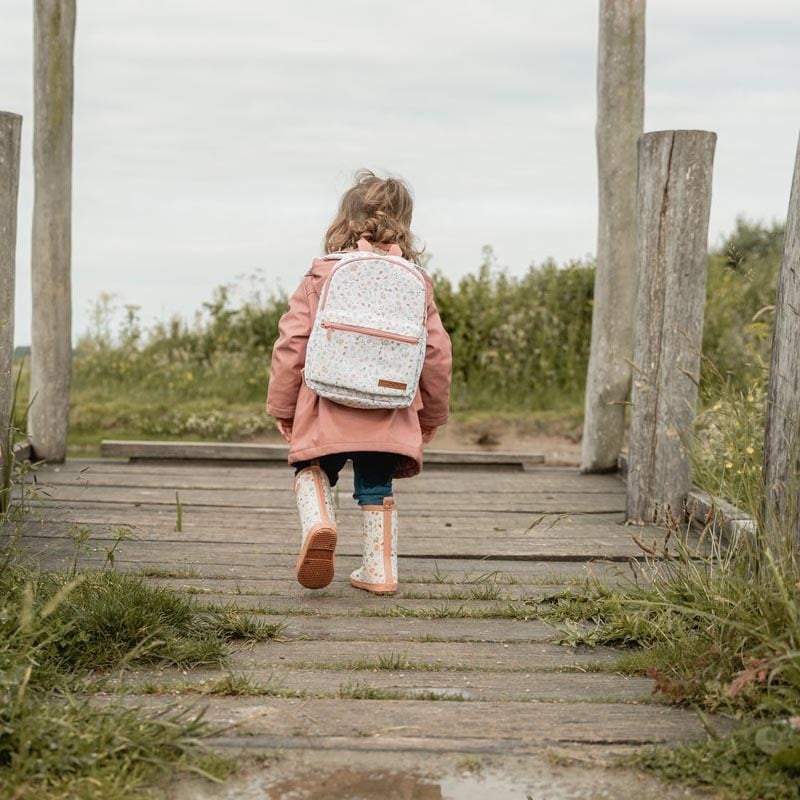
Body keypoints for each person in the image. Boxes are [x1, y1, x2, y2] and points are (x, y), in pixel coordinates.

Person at [267, 170, 452, 595]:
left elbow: (292, 341)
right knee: (376, 483)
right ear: (405, 223)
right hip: (388, 403)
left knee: (311, 467)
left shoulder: (323, 273)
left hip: (324, 400)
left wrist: (282, 406)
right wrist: (433, 413)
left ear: (344, 220)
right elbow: (437, 353)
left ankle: (319, 522)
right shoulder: (416, 281)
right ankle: (380, 570)